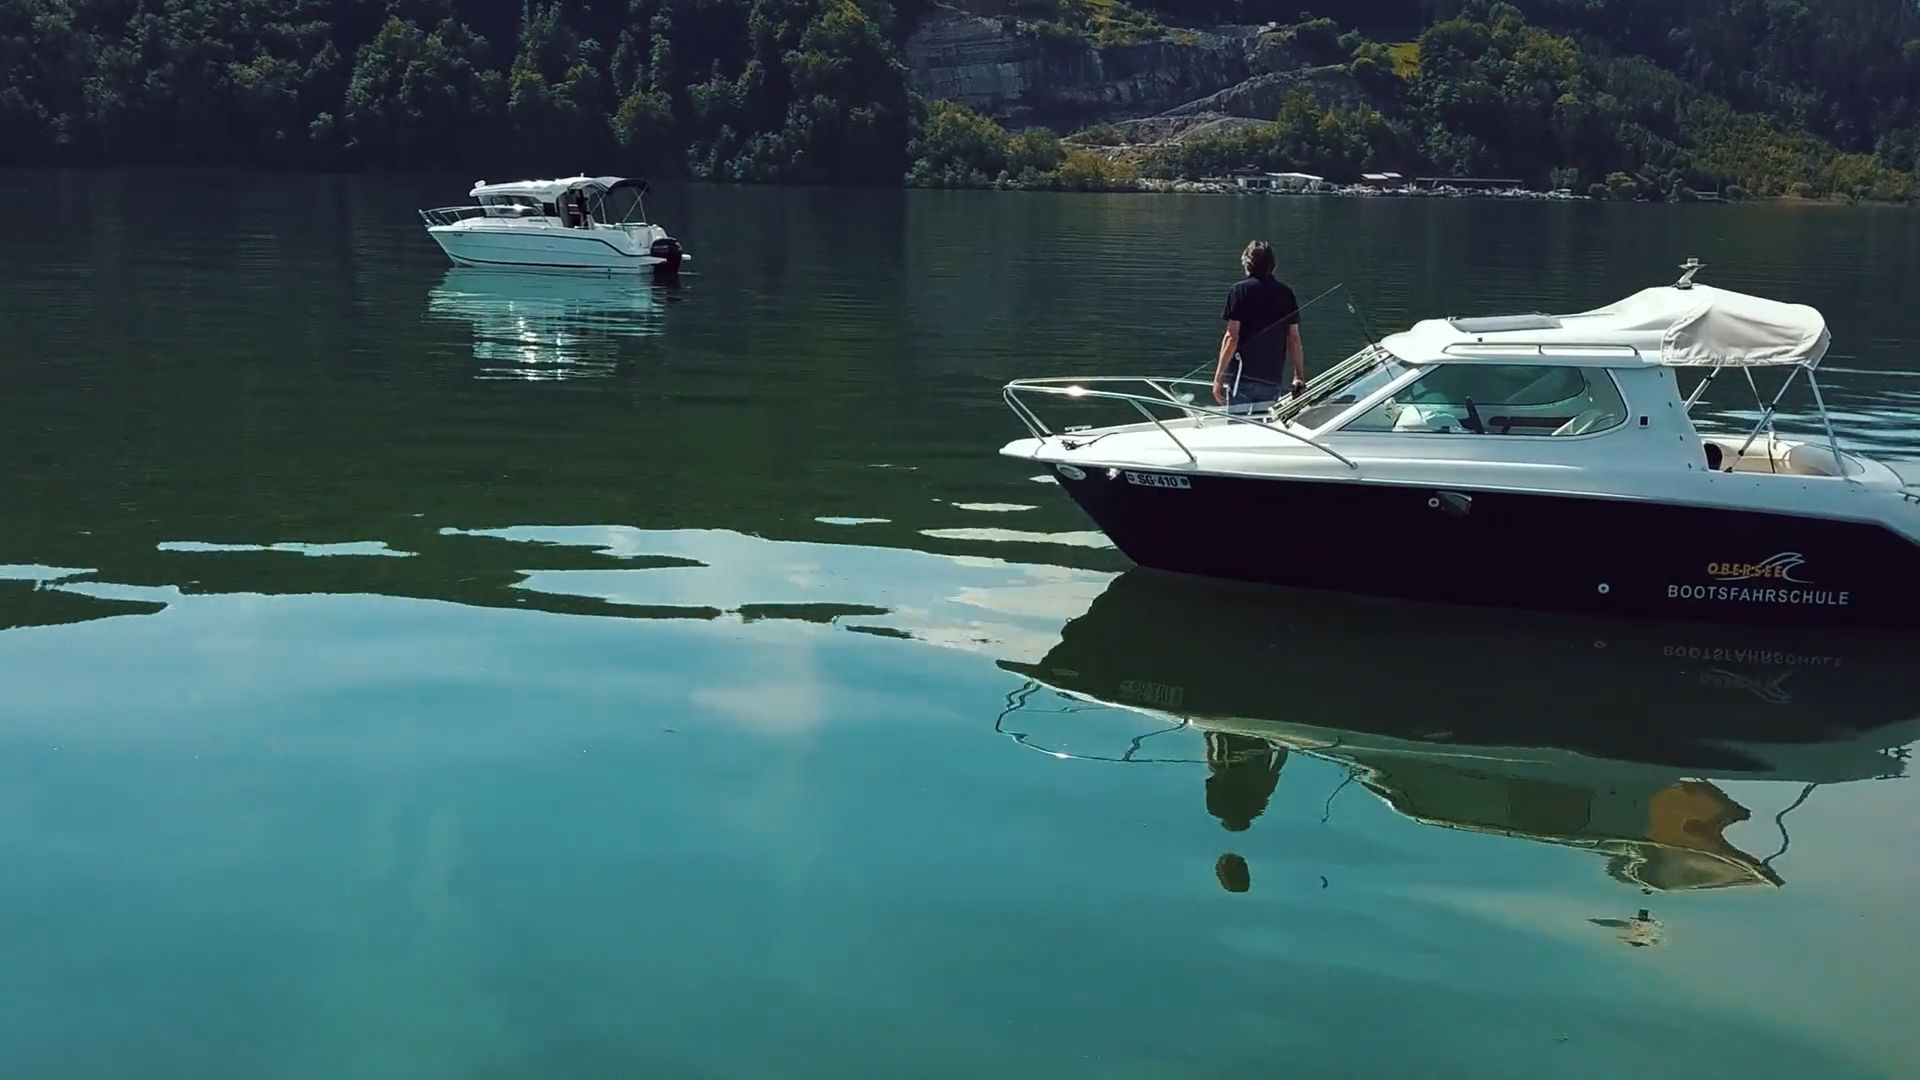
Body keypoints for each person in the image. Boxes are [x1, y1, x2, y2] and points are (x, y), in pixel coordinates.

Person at [1211, 240, 1306, 407]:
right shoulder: (1286, 293)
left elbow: (1232, 337)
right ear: (1273, 265)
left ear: (1247, 264)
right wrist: (1298, 375)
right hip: (1272, 376)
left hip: (1243, 376)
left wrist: (1218, 377)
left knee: (1239, 427)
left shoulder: (1239, 291)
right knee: (1264, 426)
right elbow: (1294, 338)